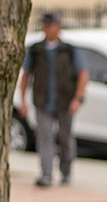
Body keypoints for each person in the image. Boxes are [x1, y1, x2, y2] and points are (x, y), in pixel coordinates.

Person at [19, 11, 88, 188]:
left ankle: (65, 170)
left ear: (58, 27)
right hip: (43, 101)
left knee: (65, 137)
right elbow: (26, 75)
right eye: (45, 25)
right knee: (45, 137)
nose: (48, 29)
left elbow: (83, 74)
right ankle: (46, 174)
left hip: (65, 100)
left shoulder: (69, 50)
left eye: (51, 25)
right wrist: (23, 101)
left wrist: (78, 98)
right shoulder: (36, 50)